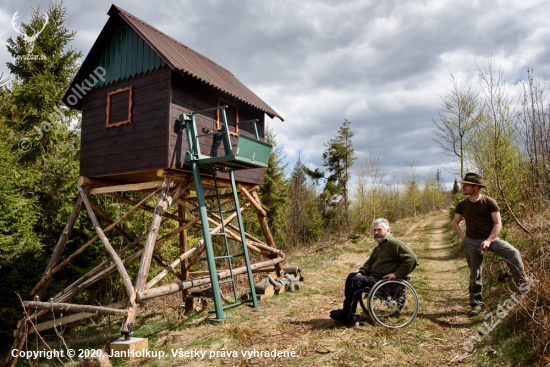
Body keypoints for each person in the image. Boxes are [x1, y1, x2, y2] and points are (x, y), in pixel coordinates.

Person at [452, 173, 525, 315]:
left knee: (513, 253)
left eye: (466, 184)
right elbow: (456, 222)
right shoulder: (462, 204)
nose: (463, 187)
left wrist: (489, 240)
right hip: (471, 241)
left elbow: (498, 224)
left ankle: (523, 289)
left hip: (490, 238)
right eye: (463, 184)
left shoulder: (489, 202)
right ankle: (476, 304)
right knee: (475, 272)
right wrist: (463, 238)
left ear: (476, 187)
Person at [330, 218, 418, 324]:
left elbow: (412, 258)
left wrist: (397, 274)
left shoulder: (394, 243)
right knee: (352, 276)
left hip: (385, 280)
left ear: (388, 230)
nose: (376, 233)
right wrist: (361, 272)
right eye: (374, 230)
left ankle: (346, 315)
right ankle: (347, 311)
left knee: (357, 280)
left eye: (379, 230)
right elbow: (369, 263)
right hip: (376, 277)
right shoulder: (379, 247)